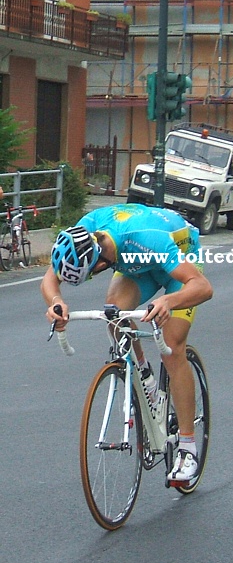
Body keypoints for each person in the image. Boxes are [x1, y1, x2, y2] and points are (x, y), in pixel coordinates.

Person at [41, 203, 213, 484]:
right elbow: (50, 280)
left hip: (179, 261)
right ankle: (145, 380)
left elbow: (203, 287)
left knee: (172, 346)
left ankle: (187, 447)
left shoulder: (145, 238)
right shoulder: (83, 235)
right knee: (115, 315)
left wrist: (169, 300)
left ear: (98, 263)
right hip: (137, 264)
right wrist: (56, 303)